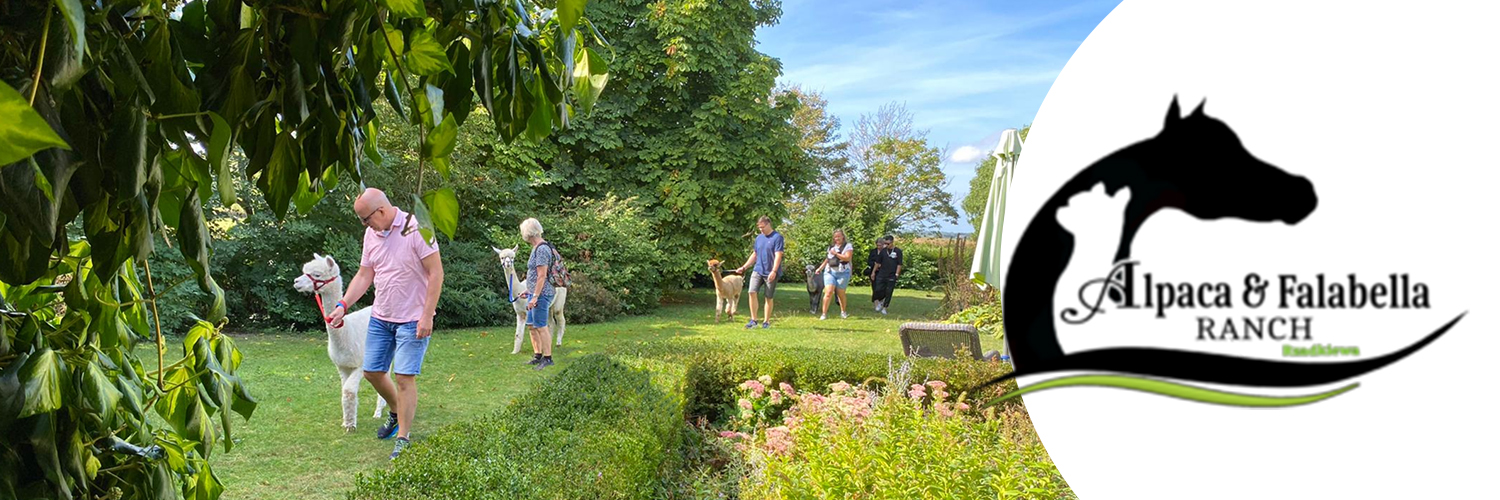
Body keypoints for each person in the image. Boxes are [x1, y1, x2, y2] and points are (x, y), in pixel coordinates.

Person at [328, 188, 445, 461]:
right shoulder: (372, 234)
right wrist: (343, 305)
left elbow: (436, 272)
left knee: (404, 378)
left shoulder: (416, 228)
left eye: (365, 219)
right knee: (372, 372)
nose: (364, 225)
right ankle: (396, 412)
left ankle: (403, 437)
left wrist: (427, 315)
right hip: (381, 317)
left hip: (413, 317)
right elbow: (364, 274)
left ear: (380, 211)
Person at [518, 218, 558, 370]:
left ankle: (547, 358)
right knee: (531, 325)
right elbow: (535, 274)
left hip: (542, 294)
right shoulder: (536, 248)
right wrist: (529, 290)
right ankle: (537, 356)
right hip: (534, 293)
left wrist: (535, 296)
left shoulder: (542, 249)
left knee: (541, 326)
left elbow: (542, 275)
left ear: (528, 233)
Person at [734, 216, 784, 329]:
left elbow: (778, 255)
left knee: (768, 297)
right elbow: (755, 254)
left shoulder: (777, 237)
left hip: (771, 272)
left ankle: (766, 322)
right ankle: (754, 320)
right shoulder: (759, 238)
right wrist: (744, 267)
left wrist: (774, 271)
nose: (761, 230)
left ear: (768, 224)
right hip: (758, 270)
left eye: (762, 227)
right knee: (751, 292)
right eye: (759, 228)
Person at [814, 229, 854, 320]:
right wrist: (820, 268)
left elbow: (847, 258)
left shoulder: (848, 246)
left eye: (838, 236)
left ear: (843, 236)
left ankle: (843, 312)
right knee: (828, 292)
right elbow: (827, 259)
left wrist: (836, 253)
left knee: (840, 293)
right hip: (830, 272)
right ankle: (823, 314)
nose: (837, 238)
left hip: (843, 272)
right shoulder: (831, 247)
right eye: (835, 237)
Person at [868, 235, 903, 314]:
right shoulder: (883, 251)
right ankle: (879, 301)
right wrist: (873, 272)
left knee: (889, 291)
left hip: (892, 274)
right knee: (877, 290)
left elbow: (899, 264)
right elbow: (878, 262)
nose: (886, 245)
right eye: (885, 243)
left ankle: (885, 307)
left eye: (888, 243)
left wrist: (897, 274)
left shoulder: (898, 251)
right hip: (882, 274)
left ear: (892, 242)